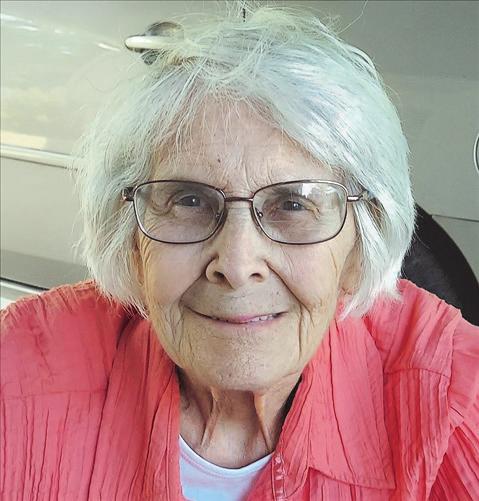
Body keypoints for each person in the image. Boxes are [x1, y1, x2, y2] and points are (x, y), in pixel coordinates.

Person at [2, 3, 478, 500]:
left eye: (293, 204)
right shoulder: (20, 371)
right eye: (188, 200)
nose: (235, 264)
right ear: (130, 237)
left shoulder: (454, 401)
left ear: (360, 244)